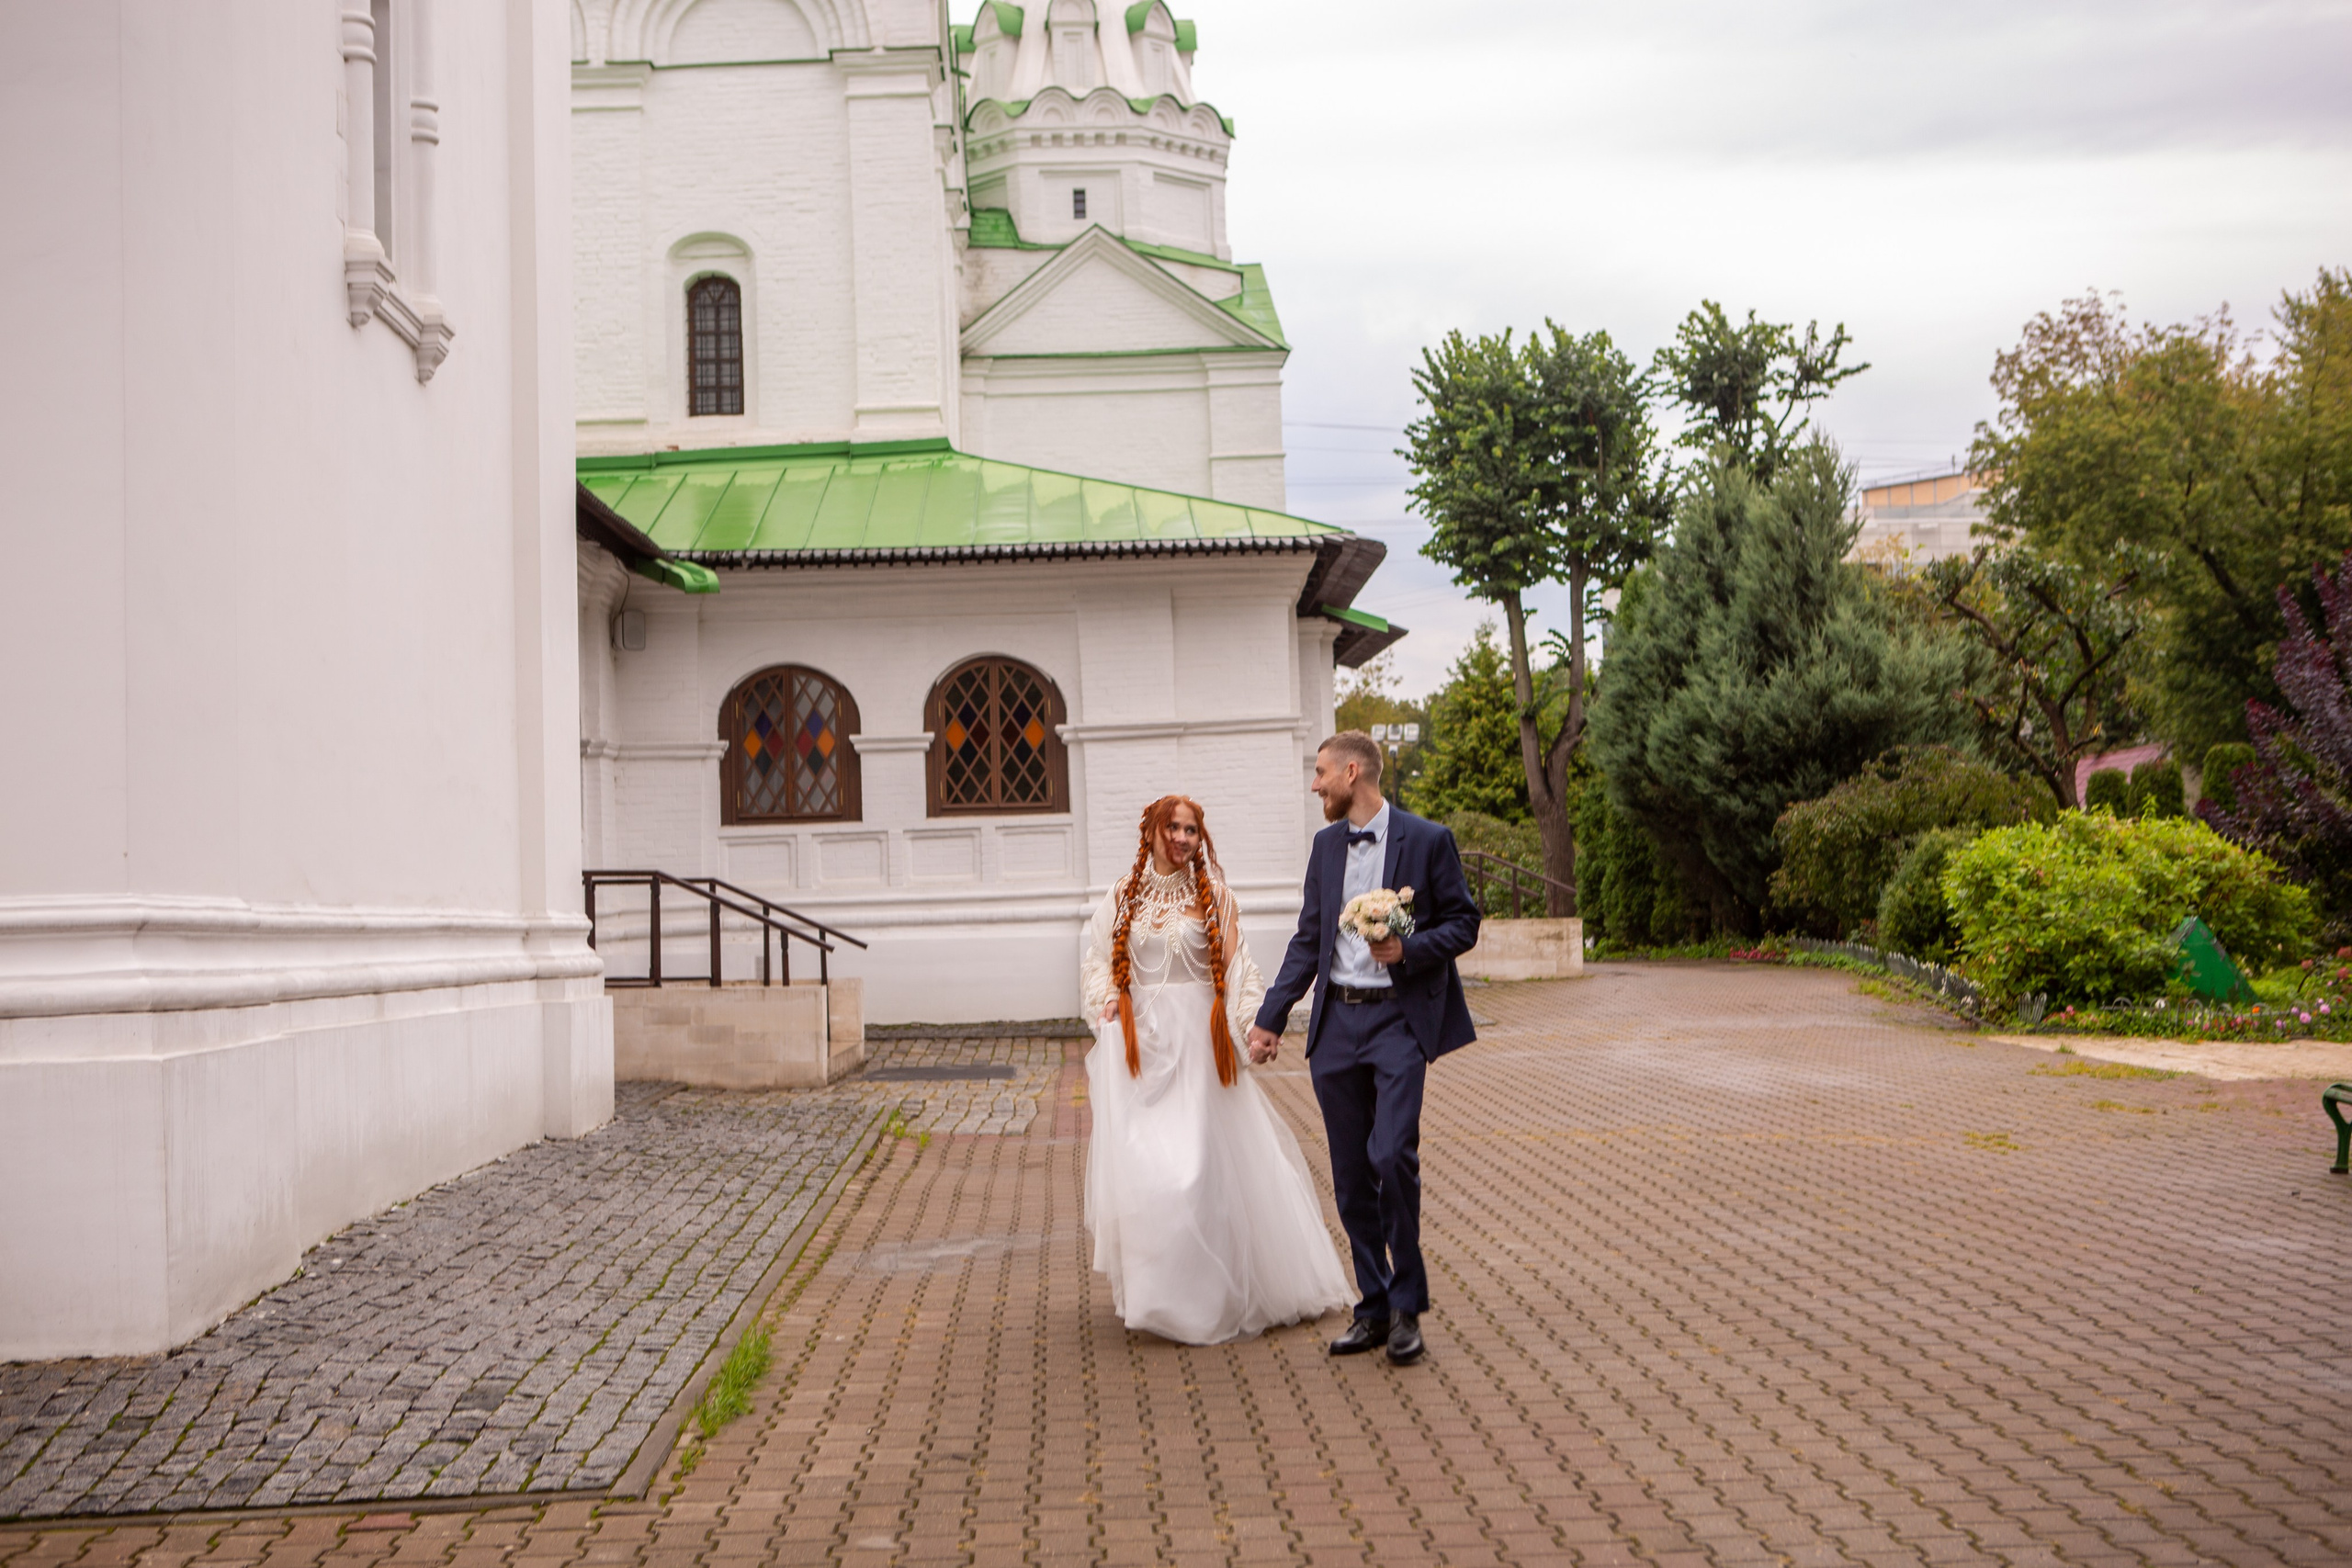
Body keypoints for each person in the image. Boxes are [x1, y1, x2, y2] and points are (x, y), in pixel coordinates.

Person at [1078, 795, 1353, 1345]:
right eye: (1173, 828)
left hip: (1201, 1056)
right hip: (1143, 1054)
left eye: (1192, 830)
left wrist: (1254, 1024)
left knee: (1195, 1171)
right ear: (1151, 831)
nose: (1183, 839)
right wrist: (1107, 998)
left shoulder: (1218, 898)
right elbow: (1097, 961)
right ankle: (1159, 1297)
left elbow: (1240, 968)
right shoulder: (1120, 896)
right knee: (1146, 1174)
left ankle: (1207, 1298)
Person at [1245, 731, 1481, 1366]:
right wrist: (1272, 1018)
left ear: (1353, 771)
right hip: (1337, 1028)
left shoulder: (1427, 839)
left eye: (1321, 772)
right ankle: (1373, 1307)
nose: (1315, 784)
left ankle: (1408, 1306)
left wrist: (1410, 948)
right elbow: (1308, 939)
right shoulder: (1325, 847)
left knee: (1392, 1152)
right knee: (1351, 1173)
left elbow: (1464, 921)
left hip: (1400, 1022)